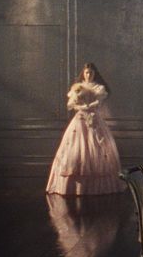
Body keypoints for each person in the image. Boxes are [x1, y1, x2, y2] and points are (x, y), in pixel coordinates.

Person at [46, 62, 123, 195]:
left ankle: (97, 188)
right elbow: (70, 105)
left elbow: (99, 102)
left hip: (94, 119)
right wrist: (81, 107)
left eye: (91, 73)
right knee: (76, 149)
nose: (89, 75)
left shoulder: (98, 87)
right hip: (80, 120)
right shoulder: (77, 87)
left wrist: (90, 106)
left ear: (95, 74)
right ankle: (73, 187)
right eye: (87, 72)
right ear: (83, 73)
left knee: (97, 149)